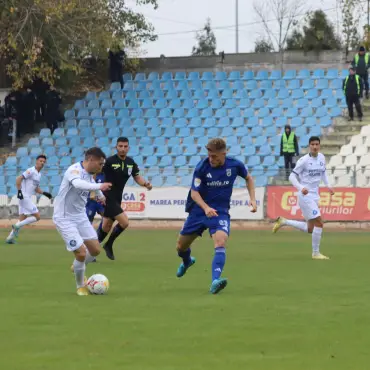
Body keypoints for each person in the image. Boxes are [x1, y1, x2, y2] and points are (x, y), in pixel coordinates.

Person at [175, 138, 257, 294]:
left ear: (224, 154)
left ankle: (215, 281)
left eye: (215, 156)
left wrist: (252, 199)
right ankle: (187, 261)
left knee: (220, 241)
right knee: (181, 246)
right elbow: (194, 192)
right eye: (209, 155)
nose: (211, 159)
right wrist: (205, 208)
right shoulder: (202, 167)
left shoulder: (235, 165)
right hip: (199, 211)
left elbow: (248, 178)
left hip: (220, 212)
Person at [52, 147, 112, 296]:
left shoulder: (89, 174)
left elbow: (90, 182)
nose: (101, 167)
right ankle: (81, 286)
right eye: (100, 163)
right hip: (64, 218)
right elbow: (79, 184)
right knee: (80, 253)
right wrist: (100, 186)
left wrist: (100, 196)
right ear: (90, 159)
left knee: (96, 251)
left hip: (80, 216)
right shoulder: (74, 171)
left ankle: (77, 266)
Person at [272, 136, 333, 260]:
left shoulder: (321, 157)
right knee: (320, 222)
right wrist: (300, 187)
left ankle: (284, 221)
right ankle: (315, 253)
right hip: (306, 196)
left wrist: (328, 186)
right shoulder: (303, 161)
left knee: (311, 228)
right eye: (312, 144)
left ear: (319, 145)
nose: (315, 147)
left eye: (317, 144)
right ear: (309, 146)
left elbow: (323, 173)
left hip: (315, 196)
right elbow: (292, 177)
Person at [97, 137, 152, 260]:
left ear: (128, 148)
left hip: (118, 197)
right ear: (116, 147)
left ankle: (91, 249)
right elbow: (96, 172)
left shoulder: (130, 162)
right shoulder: (109, 161)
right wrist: (94, 189)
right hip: (108, 196)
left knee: (106, 226)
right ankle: (108, 244)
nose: (122, 149)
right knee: (125, 222)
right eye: (120, 146)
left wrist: (146, 184)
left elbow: (137, 177)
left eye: (125, 146)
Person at [6, 155, 52, 244]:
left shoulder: (39, 174)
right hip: (24, 196)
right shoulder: (31, 171)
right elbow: (18, 178)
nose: (42, 163)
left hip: (26, 197)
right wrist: (19, 191)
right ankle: (17, 226)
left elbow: (36, 189)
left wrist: (45, 193)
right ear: (36, 161)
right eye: (40, 161)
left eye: (43, 162)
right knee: (37, 217)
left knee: (22, 219)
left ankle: (10, 238)